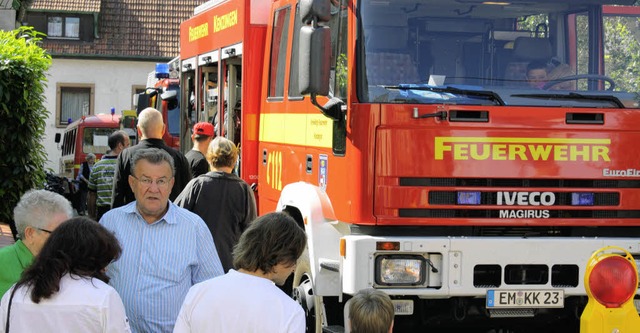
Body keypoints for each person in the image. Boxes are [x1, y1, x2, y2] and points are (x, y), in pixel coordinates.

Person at [101, 148, 223, 333]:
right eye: (146, 180)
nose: (154, 188)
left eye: (161, 181)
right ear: (132, 183)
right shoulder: (110, 223)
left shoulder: (194, 227)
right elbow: (93, 279)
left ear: (171, 184)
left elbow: (212, 290)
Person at [173, 212, 307, 333]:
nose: (294, 268)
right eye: (294, 259)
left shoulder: (197, 293)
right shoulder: (290, 312)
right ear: (280, 256)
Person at [0, 217, 130, 332]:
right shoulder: (104, 296)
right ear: (90, 259)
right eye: (103, 261)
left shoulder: (14, 293)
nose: (105, 269)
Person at [175, 136, 257, 272]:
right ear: (234, 160)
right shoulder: (243, 189)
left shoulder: (197, 185)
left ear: (209, 158)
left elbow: (175, 216)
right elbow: (251, 231)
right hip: (230, 266)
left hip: (197, 263)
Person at [111, 107, 191, 209]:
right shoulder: (179, 158)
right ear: (163, 129)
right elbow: (187, 196)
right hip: (171, 222)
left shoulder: (125, 155)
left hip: (132, 221)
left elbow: (118, 195)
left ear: (139, 131)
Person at [0, 189, 73, 298]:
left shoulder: (69, 262)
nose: (67, 239)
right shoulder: (2, 263)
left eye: (69, 231)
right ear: (30, 233)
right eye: (59, 233)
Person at [88, 130, 130, 221]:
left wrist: (91, 217)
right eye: (128, 145)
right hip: (123, 212)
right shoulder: (127, 165)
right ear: (120, 146)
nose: (129, 148)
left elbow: (92, 194)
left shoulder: (97, 166)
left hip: (102, 213)